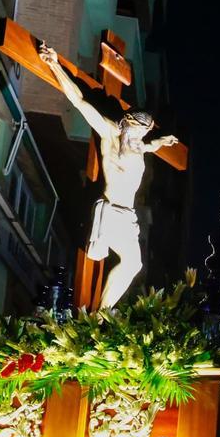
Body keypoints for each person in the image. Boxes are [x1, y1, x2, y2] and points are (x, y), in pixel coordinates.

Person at [38, 43, 179, 309]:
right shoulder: (110, 134)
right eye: (139, 131)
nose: (141, 137)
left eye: (144, 133)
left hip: (128, 215)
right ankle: (101, 314)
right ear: (128, 124)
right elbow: (79, 101)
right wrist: (54, 64)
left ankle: (101, 314)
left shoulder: (138, 145)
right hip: (112, 210)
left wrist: (161, 142)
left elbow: (149, 147)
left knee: (134, 265)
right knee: (132, 263)